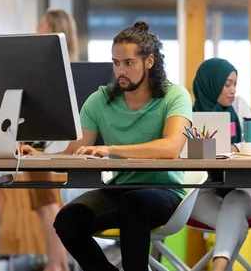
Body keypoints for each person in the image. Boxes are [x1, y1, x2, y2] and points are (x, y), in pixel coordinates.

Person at [21, 21, 192, 271]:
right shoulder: (100, 100)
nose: (120, 70)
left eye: (128, 63)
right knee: (67, 220)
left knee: (134, 203)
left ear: (149, 61)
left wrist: (111, 149)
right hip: (120, 190)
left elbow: (170, 148)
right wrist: (39, 156)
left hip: (165, 191)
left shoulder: (175, 95)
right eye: (115, 62)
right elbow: (74, 152)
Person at [189, 58, 251, 271]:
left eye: (235, 84)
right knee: (233, 221)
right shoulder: (190, 115)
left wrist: (235, 148)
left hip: (243, 190)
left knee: (235, 201)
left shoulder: (239, 105)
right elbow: (184, 155)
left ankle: (218, 268)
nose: (232, 90)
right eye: (227, 84)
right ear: (210, 84)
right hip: (204, 193)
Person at [28, 9, 79, 271]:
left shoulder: (50, 67)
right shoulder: (67, 65)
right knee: (46, 205)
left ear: (51, 29)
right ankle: (59, 264)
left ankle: (55, 265)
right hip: (45, 141)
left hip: (45, 143)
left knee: (47, 205)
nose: (37, 28)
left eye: (41, 24)